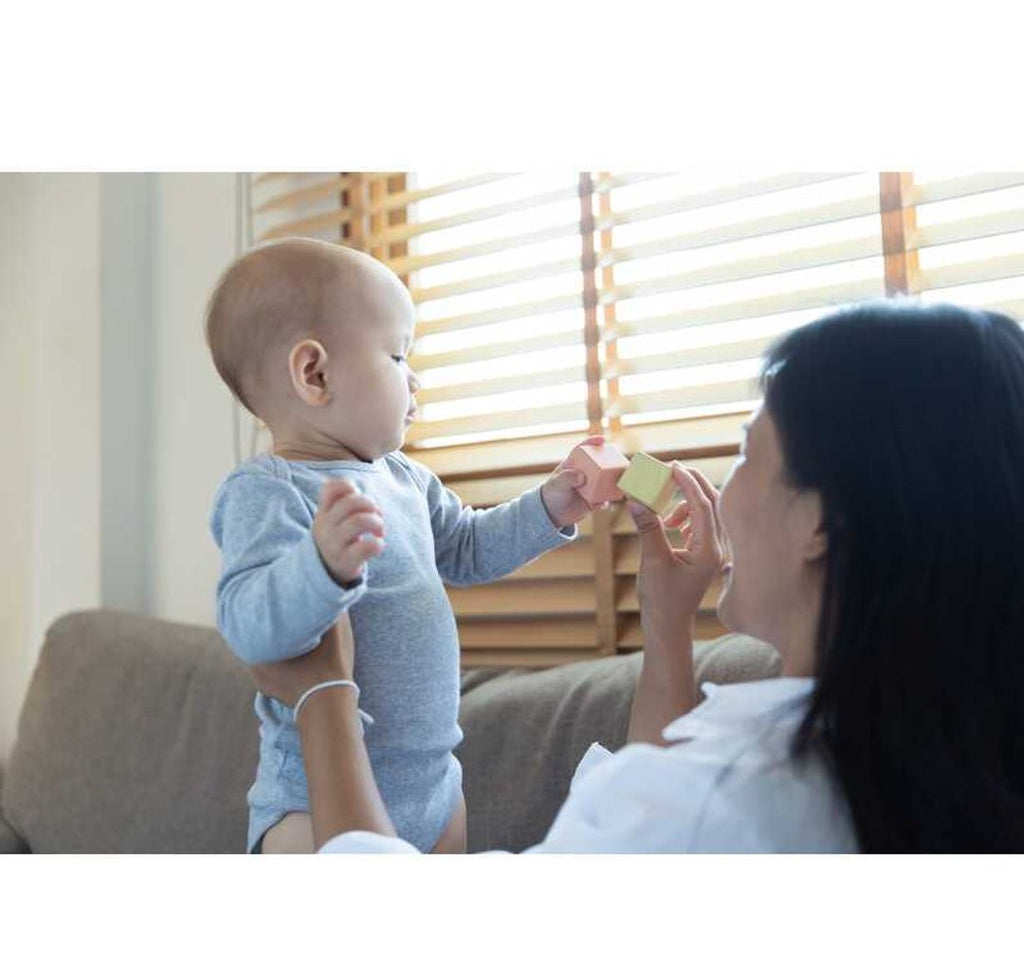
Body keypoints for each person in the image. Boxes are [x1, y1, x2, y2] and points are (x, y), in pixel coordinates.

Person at [252, 299, 1024, 853]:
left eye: (748, 452)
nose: (724, 484)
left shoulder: (723, 804)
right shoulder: (907, 761)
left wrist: (324, 694)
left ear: (820, 521)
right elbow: (670, 792)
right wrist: (666, 623)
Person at [205, 238, 603, 854]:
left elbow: (469, 547)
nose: (414, 378)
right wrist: (322, 569)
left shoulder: (405, 478)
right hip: (311, 798)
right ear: (315, 375)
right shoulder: (268, 491)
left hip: (436, 786)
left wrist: (550, 505)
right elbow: (249, 626)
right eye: (396, 354)